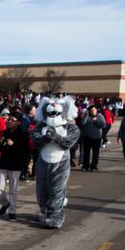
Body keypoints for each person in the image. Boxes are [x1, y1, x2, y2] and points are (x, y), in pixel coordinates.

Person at [32, 97, 80, 229]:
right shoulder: (41, 126)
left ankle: (56, 216)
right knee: (41, 191)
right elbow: (35, 139)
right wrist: (45, 138)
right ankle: (46, 212)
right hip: (43, 162)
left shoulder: (70, 127)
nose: (53, 106)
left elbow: (68, 142)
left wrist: (55, 136)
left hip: (60, 164)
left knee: (56, 190)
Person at [0, 112, 28, 221]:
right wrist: (0, 143)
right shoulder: (4, 132)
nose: (9, 121)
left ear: (18, 122)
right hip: (3, 163)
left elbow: (24, 150)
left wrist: (13, 144)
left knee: (13, 190)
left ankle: (12, 212)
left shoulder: (23, 134)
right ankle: (5, 203)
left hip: (15, 165)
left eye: (12, 120)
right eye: (9, 119)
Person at [80, 105, 105, 171]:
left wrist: (96, 120)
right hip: (86, 137)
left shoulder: (100, 116)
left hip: (96, 138)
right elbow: (82, 123)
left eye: (94, 110)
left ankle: (93, 166)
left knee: (95, 153)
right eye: (91, 110)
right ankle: (85, 166)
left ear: (96, 110)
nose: (92, 111)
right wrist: (85, 116)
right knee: (86, 153)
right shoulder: (87, 116)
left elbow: (103, 125)